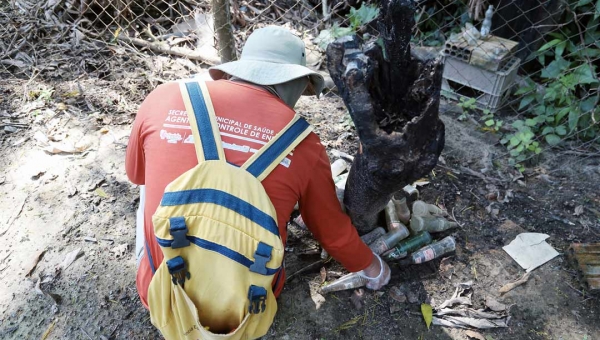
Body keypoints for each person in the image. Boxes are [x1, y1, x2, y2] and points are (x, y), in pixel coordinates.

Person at [125, 26, 391, 309]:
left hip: (160, 294)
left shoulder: (163, 98)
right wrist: (372, 267)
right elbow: (331, 232)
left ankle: (155, 267)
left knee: (150, 185)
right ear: (297, 83)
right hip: (245, 308)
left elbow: (136, 174)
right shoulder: (303, 142)